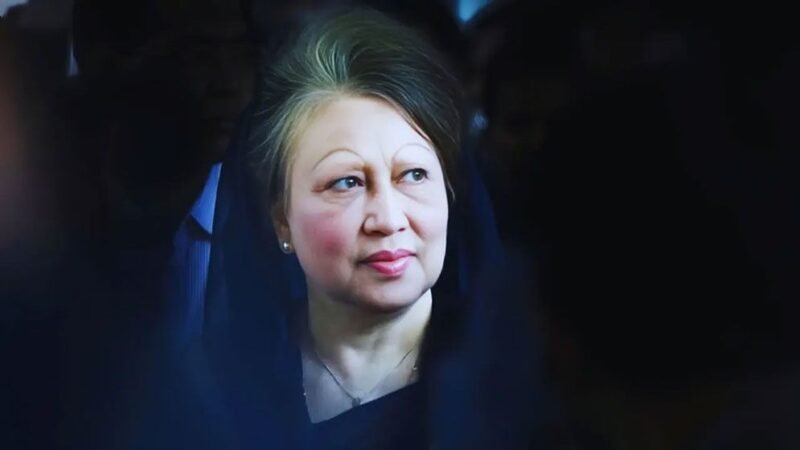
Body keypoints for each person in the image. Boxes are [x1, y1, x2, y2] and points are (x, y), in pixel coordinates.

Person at [133, 8, 546, 450]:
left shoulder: (518, 384)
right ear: (281, 218)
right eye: (346, 182)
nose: (388, 219)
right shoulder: (206, 386)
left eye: (413, 175)